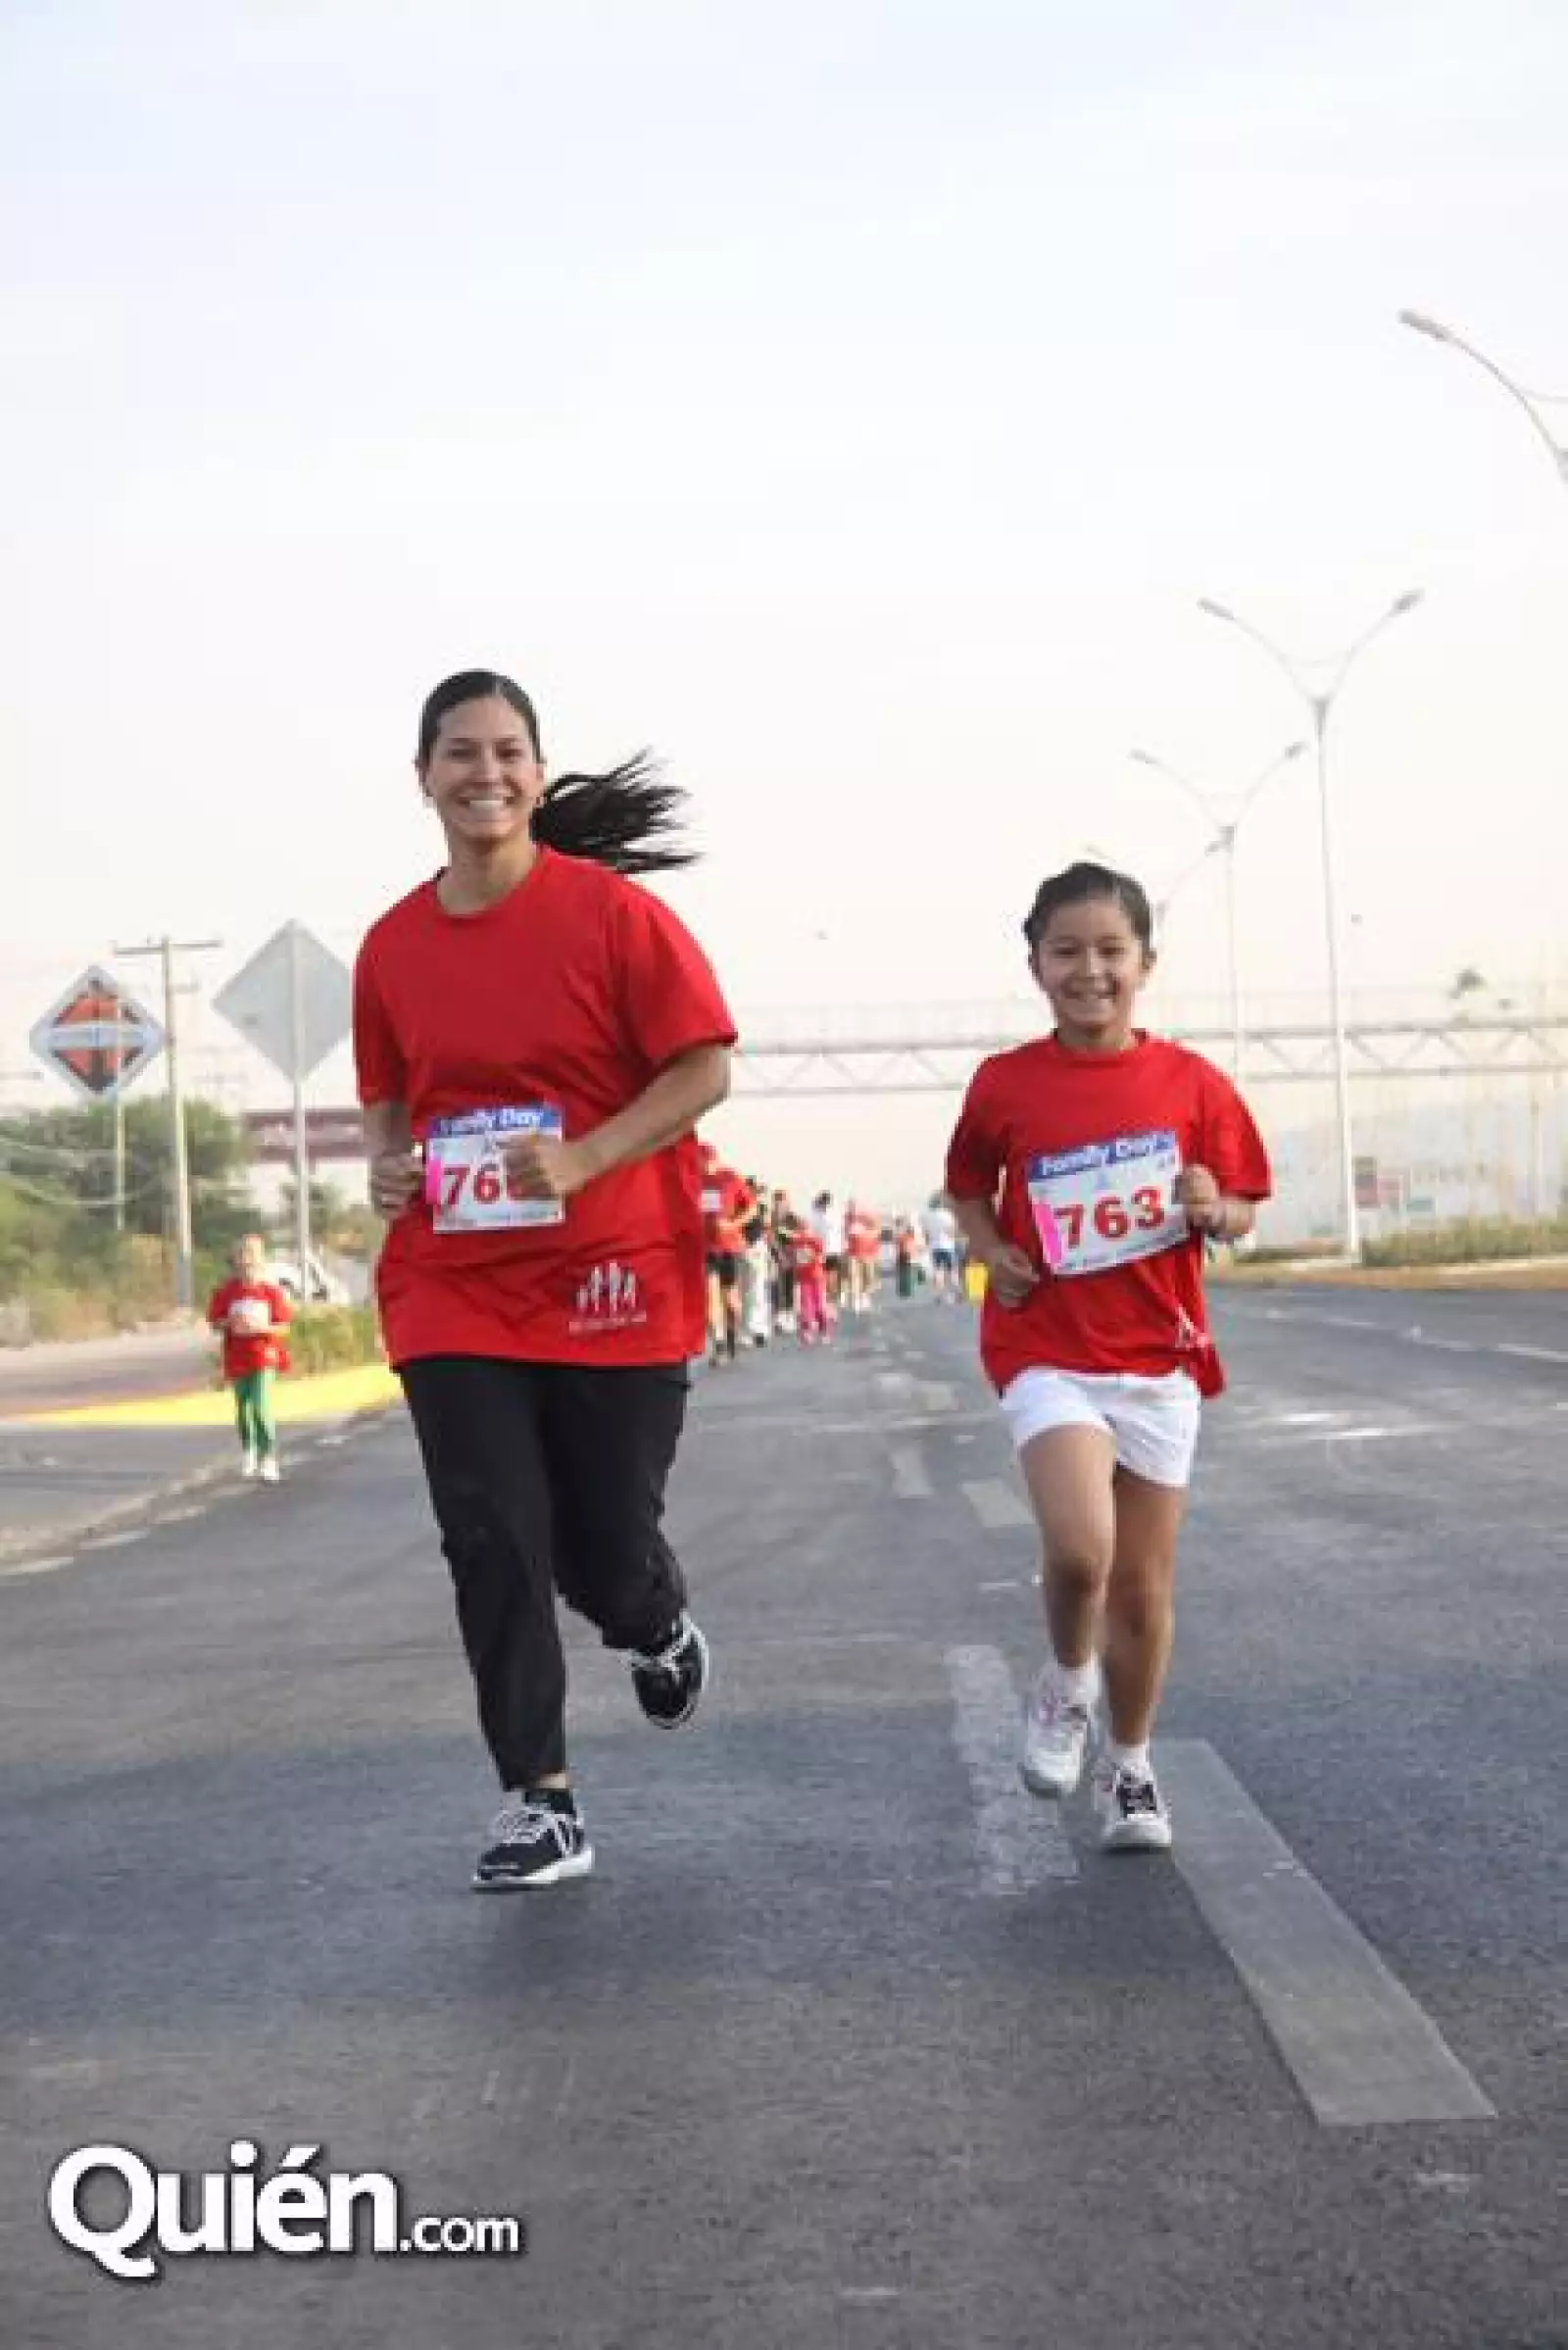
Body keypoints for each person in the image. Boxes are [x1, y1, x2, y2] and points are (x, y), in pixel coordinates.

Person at [354, 668, 735, 1891]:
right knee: (491, 1535)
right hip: (453, 1284)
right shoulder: (391, 945)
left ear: (536, 767)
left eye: (508, 750)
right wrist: (388, 1167)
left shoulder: (612, 917)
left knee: (600, 1551)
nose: (487, 772)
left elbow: (704, 1068)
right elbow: (389, 1097)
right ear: (423, 777)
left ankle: (651, 1618)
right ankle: (541, 1799)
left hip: (612, 1276)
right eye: (460, 752)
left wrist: (585, 1156)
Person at [945, 860, 1269, 1854]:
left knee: (1141, 1586)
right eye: (1067, 951)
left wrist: (1216, 1207)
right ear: (1036, 966)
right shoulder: (1005, 1083)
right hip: (1046, 1346)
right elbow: (967, 1186)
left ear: (1145, 964)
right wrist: (989, 1247)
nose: (1089, 970)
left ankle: (1129, 1765)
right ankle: (1066, 1680)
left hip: (1159, 1357)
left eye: (1110, 951)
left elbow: (1243, 1209)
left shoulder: (1192, 1084)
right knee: (1083, 1549)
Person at [206, 1234, 292, 1483]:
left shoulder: (271, 1292)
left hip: (264, 1355)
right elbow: (215, 1322)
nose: (247, 1261)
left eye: (252, 1255)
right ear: (235, 1260)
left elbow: (283, 1326)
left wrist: (262, 1327)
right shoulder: (226, 1292)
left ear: (261, 1260)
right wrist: (231, 1322)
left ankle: (268, 1457)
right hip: (237, 1356)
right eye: (242, 1255)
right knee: (243, 1408)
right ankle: (250, 1451)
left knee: (260, 1405)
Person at [792, 1220, 831, 1345]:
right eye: (801, 1229)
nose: (803, 1232)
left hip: (816, 1276)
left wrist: (811, 1257)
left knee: (820, 1305)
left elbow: (822, 1257)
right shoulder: (796, 1242)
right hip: (804, 1278)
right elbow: (794, 1258)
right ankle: (806, 1331)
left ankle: (824, 1330)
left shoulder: (815, 1240)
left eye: (805, 1229)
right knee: (806, 1305)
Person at [809, 1190, 847, 1315]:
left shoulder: (827, 1215)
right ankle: (827, 1302)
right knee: (827, 1276)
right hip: (826, 1250)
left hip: (830, 1250)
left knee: (829, 1277)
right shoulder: (823, 1215)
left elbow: (840, 1231)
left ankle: (829, 1302)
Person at [845, 1199, 882, 1315]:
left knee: (867, 1277)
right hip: (853, 1252)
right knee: (854, 1276)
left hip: (868, 1252)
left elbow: (877, 1231)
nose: (852, 1210)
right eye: (850, 1207)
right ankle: (856, 1300)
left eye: (854, 1207)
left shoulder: (868, 1217)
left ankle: (864, 1297)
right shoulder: (846, 1218)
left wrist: (865, 1234)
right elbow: (844, 1234)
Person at [921, 1193, 961, 1301]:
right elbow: (952, 1231)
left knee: (938, 1271)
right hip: (947, 1246)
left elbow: (926, 1234)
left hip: (934, 1247)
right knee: (952, 1270)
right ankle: (956, 1292)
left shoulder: (926, 1216)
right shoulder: (947, 1215)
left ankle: (938, 1295)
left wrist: (929, 1244)